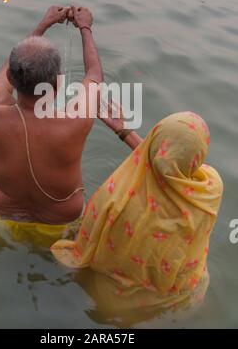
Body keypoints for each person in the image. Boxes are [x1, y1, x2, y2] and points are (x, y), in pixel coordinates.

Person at [51, 111, 223, 322]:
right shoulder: (210, 189)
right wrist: (124, 132)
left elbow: (89, 241)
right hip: (184, 291)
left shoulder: (118, 202)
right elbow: (170, 165)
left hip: (114, 303)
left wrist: (122, 130)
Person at [0, 5, 116, 247]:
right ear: (56, 87)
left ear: (11, 79)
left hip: (5, 217)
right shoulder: (75, 121)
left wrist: (43, 24)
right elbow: (94, 75)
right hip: (60, 225)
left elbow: (7, 70)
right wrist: (85, 27)